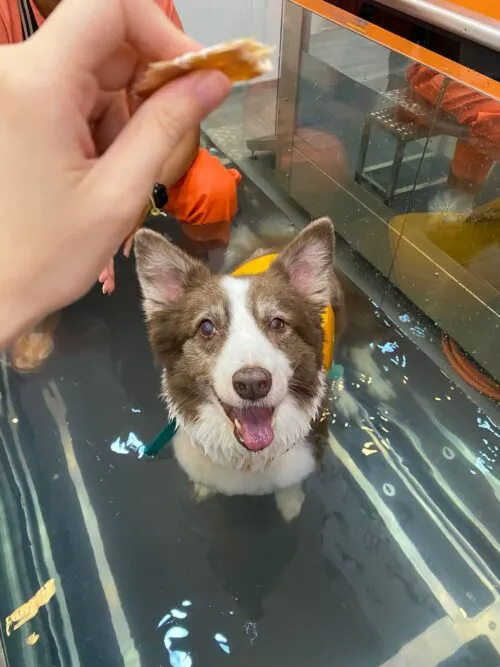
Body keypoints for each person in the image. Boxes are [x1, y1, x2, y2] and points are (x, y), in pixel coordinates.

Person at [0, 0, 240, 370]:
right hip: (45, 169)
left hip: (144, 160)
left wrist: (141, 197)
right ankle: (43, 311)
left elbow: (184, 127)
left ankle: (203, 273)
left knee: (212, 188)